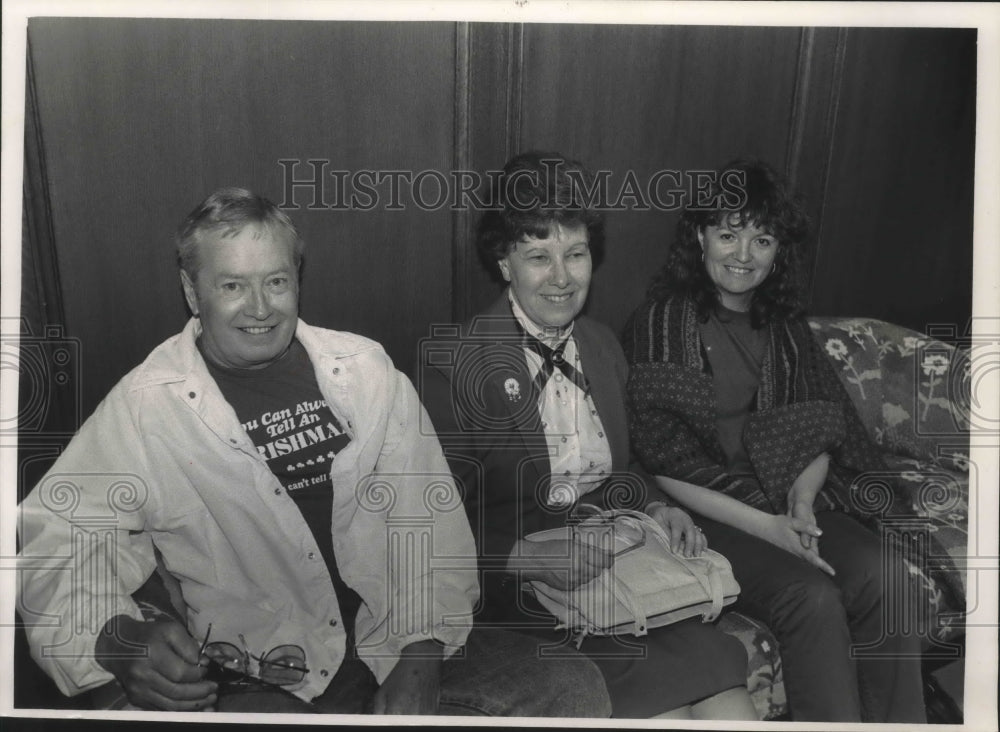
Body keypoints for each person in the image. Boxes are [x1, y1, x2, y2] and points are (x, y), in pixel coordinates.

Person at [16, 187, 612, 718]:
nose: (259, 307)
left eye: (275, 281)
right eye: (232, 285)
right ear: (191, 292)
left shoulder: (364, 369)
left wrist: (422, 655)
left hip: (394, 640)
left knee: (574, 689)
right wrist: (116, 638)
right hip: (258, 673)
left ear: (297, 279)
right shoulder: (147, 408)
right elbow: (55, 545)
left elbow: (430, 518)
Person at [418, 152, 757, 720]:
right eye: (538, 257)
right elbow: (430, 519)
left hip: (617, 566)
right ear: (504, 264)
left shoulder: (601, 344)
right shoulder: (455, 362)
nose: (561, 277)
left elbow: (623, 466)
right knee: (670, 705)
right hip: (522, 590)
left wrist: (655, 504)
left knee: (726, 689)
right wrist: (523, 557)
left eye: (575, 254)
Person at [622, 159, 927, 722]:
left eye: (761, 239)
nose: (743, 254)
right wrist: (770, 529)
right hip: (710, 511)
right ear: (700, 236)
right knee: (812, 597)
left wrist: (802, 504)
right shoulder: (663, 321)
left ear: (777, 250)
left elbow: (819, 428)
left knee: (887, 576)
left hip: (787, 498)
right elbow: (664, 459)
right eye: (728, 233)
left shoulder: (785, 326)